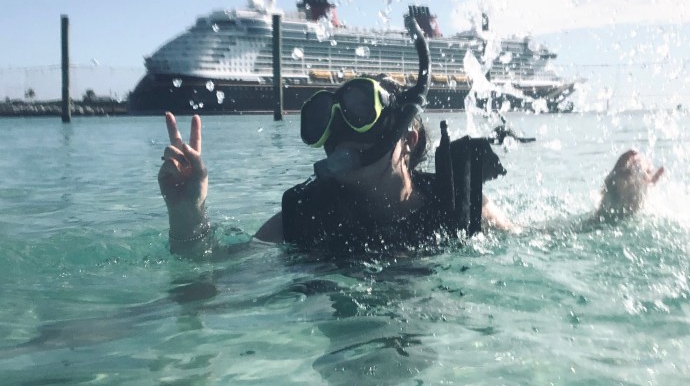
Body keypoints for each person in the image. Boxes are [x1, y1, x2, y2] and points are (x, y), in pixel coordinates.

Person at [158, 92, 664, 255]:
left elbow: (548, 242)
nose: (342, 140)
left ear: (409, 139)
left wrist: (616, 206)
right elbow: (212, 282)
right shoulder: (303, 219)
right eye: (333, 131)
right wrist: (189, 212)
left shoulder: (459, 205)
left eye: (359, 114)